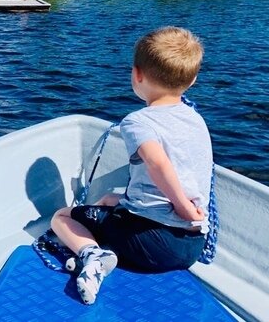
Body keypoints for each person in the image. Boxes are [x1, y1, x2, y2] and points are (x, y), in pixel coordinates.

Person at [51, 26, 212, 305]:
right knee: (107, 199)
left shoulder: (138, 122)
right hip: (193, 245)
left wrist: (182, 206)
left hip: (153, 244)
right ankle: (103, 238)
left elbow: (156, 162)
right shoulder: (195, 118)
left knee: (62, 217)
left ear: (137, 74)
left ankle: (93, 255)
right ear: (192, 79)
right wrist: (187, 211)